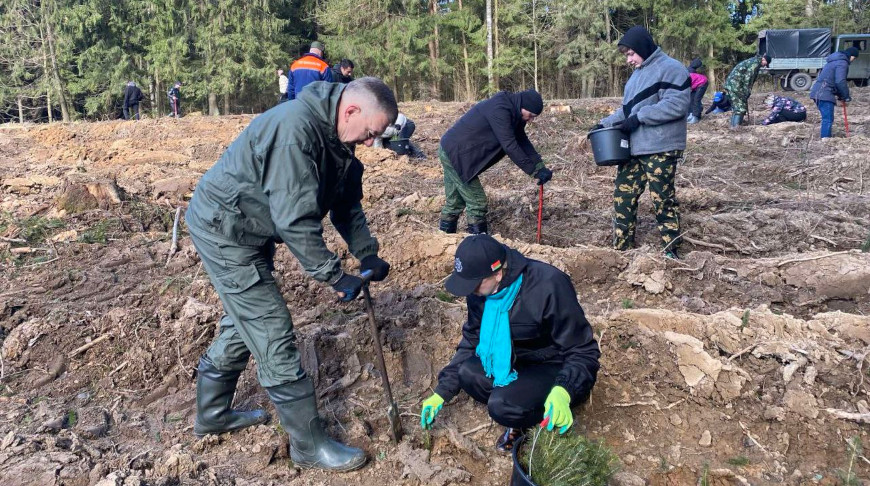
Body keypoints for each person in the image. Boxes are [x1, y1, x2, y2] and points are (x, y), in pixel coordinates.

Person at [184, 77, 398, 473]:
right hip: (224, 227)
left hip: (251, 225)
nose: (370, 143)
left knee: (245, 320)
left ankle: (212, 416)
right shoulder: (295, 133)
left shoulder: (340, 141)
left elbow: (346, 207)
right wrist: (334, 276)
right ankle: (308, 446)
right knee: (271, 328)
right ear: (350, 111)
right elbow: (295, 220)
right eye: (370, 133)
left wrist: (367, 254)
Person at [420, 234, 600, 453]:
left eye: (474, 284)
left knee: (502, 406)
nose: (471, 291)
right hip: (515, 361)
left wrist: (564, 389)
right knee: (467, 373)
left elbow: (582, 351)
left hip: (553, 364)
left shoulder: (548, 284)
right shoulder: (480, 291)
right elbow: (472, 340)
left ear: (497, 273)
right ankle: (521, 398)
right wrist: (442, 391)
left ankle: (539, 415)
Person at [595, 26, 690, 259]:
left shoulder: (672, 69)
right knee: (623, 195)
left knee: (662, 199)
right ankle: (622, 249)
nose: (629, 60)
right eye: (626, 55)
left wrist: (639, 118)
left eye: (631, 54)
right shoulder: (635, 77)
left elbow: (676, 105)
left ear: (643, 48)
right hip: (634, 149)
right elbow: (627, 110)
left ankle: (671, 249)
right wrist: (603, 124)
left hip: (661, 147)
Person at [438, 89, 552, 235]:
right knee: (477, 203)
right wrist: (532, 171)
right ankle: (479, 246)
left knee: (455, 202)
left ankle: (444, 239)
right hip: (455, 154)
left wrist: (539, 167)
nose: (530, 120)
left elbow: (522, 141)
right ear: (523, 106)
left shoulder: (515, 113)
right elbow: (510, 145)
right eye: (530, 115)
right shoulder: (500, 109)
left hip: (454, 151)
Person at [809, 47, 859, 138]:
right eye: (854, 58)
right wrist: (846, 96)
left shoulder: (833, 61)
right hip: (824, 93)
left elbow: (833, 80)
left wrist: (840, 95)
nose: (853, 60)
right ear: (851, 56)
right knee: (827, 119)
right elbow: (840, 81)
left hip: (817, 92)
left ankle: (825, 137)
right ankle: (825, 140)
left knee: (827, 118)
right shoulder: (842, 63)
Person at [723, 54, 770, 128]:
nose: (764, 66)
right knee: (740, 108)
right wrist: (745, 92)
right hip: (736, 86)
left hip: (732, 85)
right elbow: (748, 79)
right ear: (764, 59)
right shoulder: (755, 64)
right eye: (765, 64)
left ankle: (733, 127)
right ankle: (736, 128)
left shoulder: (753, 61)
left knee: (737, 107)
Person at [687, 58, 708, 124]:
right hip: (695, 84)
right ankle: (690, 114)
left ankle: (696, 116)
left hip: (702, 83)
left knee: (696, 100)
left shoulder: (684, 77)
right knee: (690, 99)